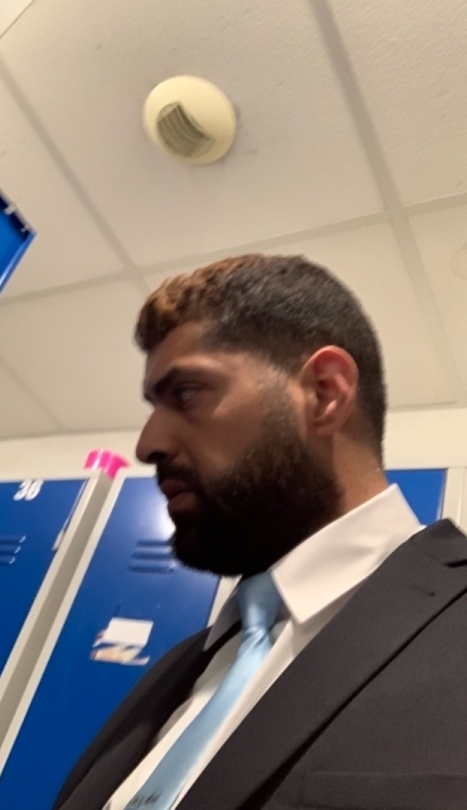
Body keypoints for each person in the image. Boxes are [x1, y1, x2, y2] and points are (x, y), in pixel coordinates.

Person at [53, 254, 467, 810]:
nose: (147, 444)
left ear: (325, 392)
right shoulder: (179, 667)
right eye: (154, 406)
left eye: (186, 394)